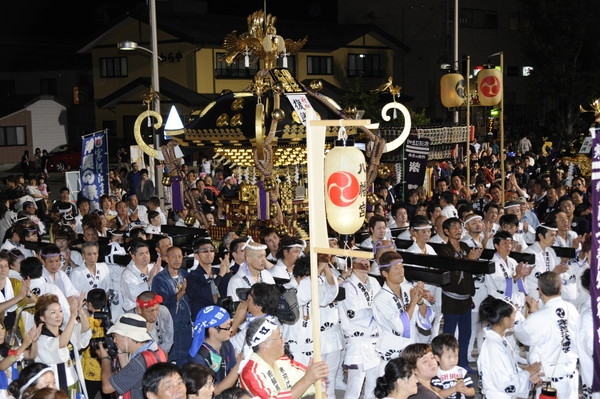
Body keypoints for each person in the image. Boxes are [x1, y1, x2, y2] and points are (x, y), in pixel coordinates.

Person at [513, 272, 580, 399]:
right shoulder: (572, 309)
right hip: (570, 376)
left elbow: (522, 334)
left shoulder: (538, 317)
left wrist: (519, 314)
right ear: (560, 287)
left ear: (540, 290)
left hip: (550, 381)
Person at [287, 254, 342, 399]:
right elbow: (303, 295)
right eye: (311, 278)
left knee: (323, 390)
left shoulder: (311, 288)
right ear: (299, 276)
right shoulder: (288, 289)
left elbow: (329, 295)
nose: (314, 282)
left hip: (312, 348)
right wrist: (317, 269)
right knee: (301, 391)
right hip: (295, 351)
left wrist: (326, 267)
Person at [372, 251, 434, 374]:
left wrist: (420, 300)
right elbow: (400, 327)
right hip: (392, 357)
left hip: (411, 354)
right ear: (385, 273)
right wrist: (413, 301)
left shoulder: (408, 289)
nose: (401, 272)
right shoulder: (380, 299)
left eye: (402, 267)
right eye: (396, 268)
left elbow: (426, 322)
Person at [238, 317, 329, 399]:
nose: (284, 341)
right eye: (279, 337)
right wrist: (307, 379)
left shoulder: (282, 360)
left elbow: (308, 376)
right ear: (264, 345)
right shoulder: (250, 373)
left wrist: (316, 376)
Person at [435, 217, 481, 373]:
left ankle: (463, 363)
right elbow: (450, 275)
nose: (458, 230)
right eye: (453, 227)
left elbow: (470, 270)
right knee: (449, 334)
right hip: (451, 298)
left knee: (466, 333)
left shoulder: (465, 246)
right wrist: (468, 260)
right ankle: (446, 366)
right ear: (446, 231)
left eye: (459, 227)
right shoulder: (444, 251)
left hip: (466, 298)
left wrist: (473, 261)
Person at [477, 295, 541, 399]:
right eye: (514, 314)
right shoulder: (493, 346)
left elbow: (509, 371)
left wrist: (528, 377)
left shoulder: (499, 340)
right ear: (505, 320)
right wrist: (527, 372)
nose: (515, 317)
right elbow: (505, 383)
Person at [339, 256, 382, 399]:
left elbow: (383, 304)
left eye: (366, 260)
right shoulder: (347, 286)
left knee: (373, 387)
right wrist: (378, 312)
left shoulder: (374, 282)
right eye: (360, 260)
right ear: (352, 264)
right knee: (354, 389)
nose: (365, 262)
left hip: (374, 340)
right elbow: (354, 315)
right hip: (357, 342)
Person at [95, 313, 166, 399]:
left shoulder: (139, 362)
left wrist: (105, 359)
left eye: (115, 336)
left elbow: (107, 387)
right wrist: (121, 352)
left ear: (127, 336)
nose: (114, 340)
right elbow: (130, 377)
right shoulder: (156, 350)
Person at [34, 294, 91, 398]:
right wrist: (72, 317)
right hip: (55, 388)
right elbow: (61, 344)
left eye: (60, 311)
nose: (58, 315)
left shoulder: (64, 331)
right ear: (42, 317)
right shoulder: (41, 340)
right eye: (53, 313)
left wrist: (80, 311)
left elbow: (85, 329)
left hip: (74, 382)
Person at [151, 245, 192, 366]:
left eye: (179, 256)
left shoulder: (185, 275)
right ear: (166, 259)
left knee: (187, 363)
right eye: (173, 257)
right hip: (171, 328)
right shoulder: (159, 279)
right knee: (171, 365)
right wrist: (181, 292)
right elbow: (163, 303)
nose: (177, 259)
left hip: (187, 327)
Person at [188, 306, 240, 395]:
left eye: (231, 325)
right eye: (227, 327)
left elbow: (231, 368)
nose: (231, 330)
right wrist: (238, 366)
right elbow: (213, 392)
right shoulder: (199, 358)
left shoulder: (226, 344)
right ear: (212, 330)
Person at [186, 238, 229, 318]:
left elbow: (228, 290)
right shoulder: (193, 276)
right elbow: (207, 293)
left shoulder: (217, 271)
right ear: (196, 256)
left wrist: (228, 272)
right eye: (205, 251)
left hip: (221, 316)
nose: (209, 254)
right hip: (203, 318)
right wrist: (220, 275)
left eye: (212, 250)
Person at [429, 333, 474, 398]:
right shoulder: (437, 375)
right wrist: (455, 389)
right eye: (449, 357)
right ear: (437, 358)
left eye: (455, 356)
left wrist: (466, 390)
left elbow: (472, 391)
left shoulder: (460, 372)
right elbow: (438, 395)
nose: (453, 360)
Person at [121, 241, 161, 312]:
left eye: (147, 253)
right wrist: (151, 279)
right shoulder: (127, 274)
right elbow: (134, 296)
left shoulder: (153, 267)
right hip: (135, 311)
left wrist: (161, 276)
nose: (145, 256)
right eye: (141, 254)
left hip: (154, 309)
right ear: (133, 256)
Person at [132, 291, 173, 355]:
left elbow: (168, 338)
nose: (155, 314)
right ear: (139, 310)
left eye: (157, 309)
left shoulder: (163, 312)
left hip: (160, 353)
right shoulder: (128, 321)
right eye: (151, 311)